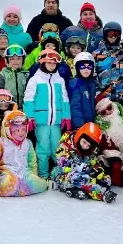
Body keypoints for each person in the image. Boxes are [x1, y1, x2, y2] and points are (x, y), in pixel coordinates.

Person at [24, 49, 72, 178]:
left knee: (57, 149)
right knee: (43, 149)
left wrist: (66, 116)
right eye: (49, 63)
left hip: (56, 121)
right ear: (42, 63)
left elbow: (64, 99)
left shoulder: (59, 80)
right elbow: (28, 100)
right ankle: (43, 175)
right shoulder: (35, 80)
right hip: (41, 121)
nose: (51, 65)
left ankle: (59, 175)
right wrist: (30, 117)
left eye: (54, 63)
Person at [50, 122, 118, 203]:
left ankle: (82, 189)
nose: (85, 147)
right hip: (64, 174)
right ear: (79, 136)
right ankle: (102, 194)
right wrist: (85, 168)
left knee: (105, 179)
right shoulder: (66, 144)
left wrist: (98, 170)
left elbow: (94, 162)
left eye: (89, 146)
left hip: (84, 172)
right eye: (84, 142)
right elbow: (63, 163)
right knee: (81, 178)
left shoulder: (89, 151)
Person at [0, 110, 49, 197]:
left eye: (23, 130)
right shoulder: (1, 143)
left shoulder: (28, 143)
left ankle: (19, 189)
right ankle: (17, 188)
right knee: (6, 182)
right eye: (17, 131)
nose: (21, 133)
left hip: (24, 173)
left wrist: (34, 175)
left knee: (39, 184)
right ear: (8, 130)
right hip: (7, 172)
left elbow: (32, 161)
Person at [0, 45, 29, 109]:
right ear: (6, 61)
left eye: (19, 58)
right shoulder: (2, 75)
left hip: (24, 108)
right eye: (12, 59)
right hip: (8, 108)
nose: (15, 61)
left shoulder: (26, 74)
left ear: (23, 60)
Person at [69, 52, 98, 129]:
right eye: (82, 66)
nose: (86, 69)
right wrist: (79, 126)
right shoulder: (75, 83)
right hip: (80, 126)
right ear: (76, 68)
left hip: (90, 124)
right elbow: (75, 107)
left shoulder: (92, 83)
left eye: (89, 67)